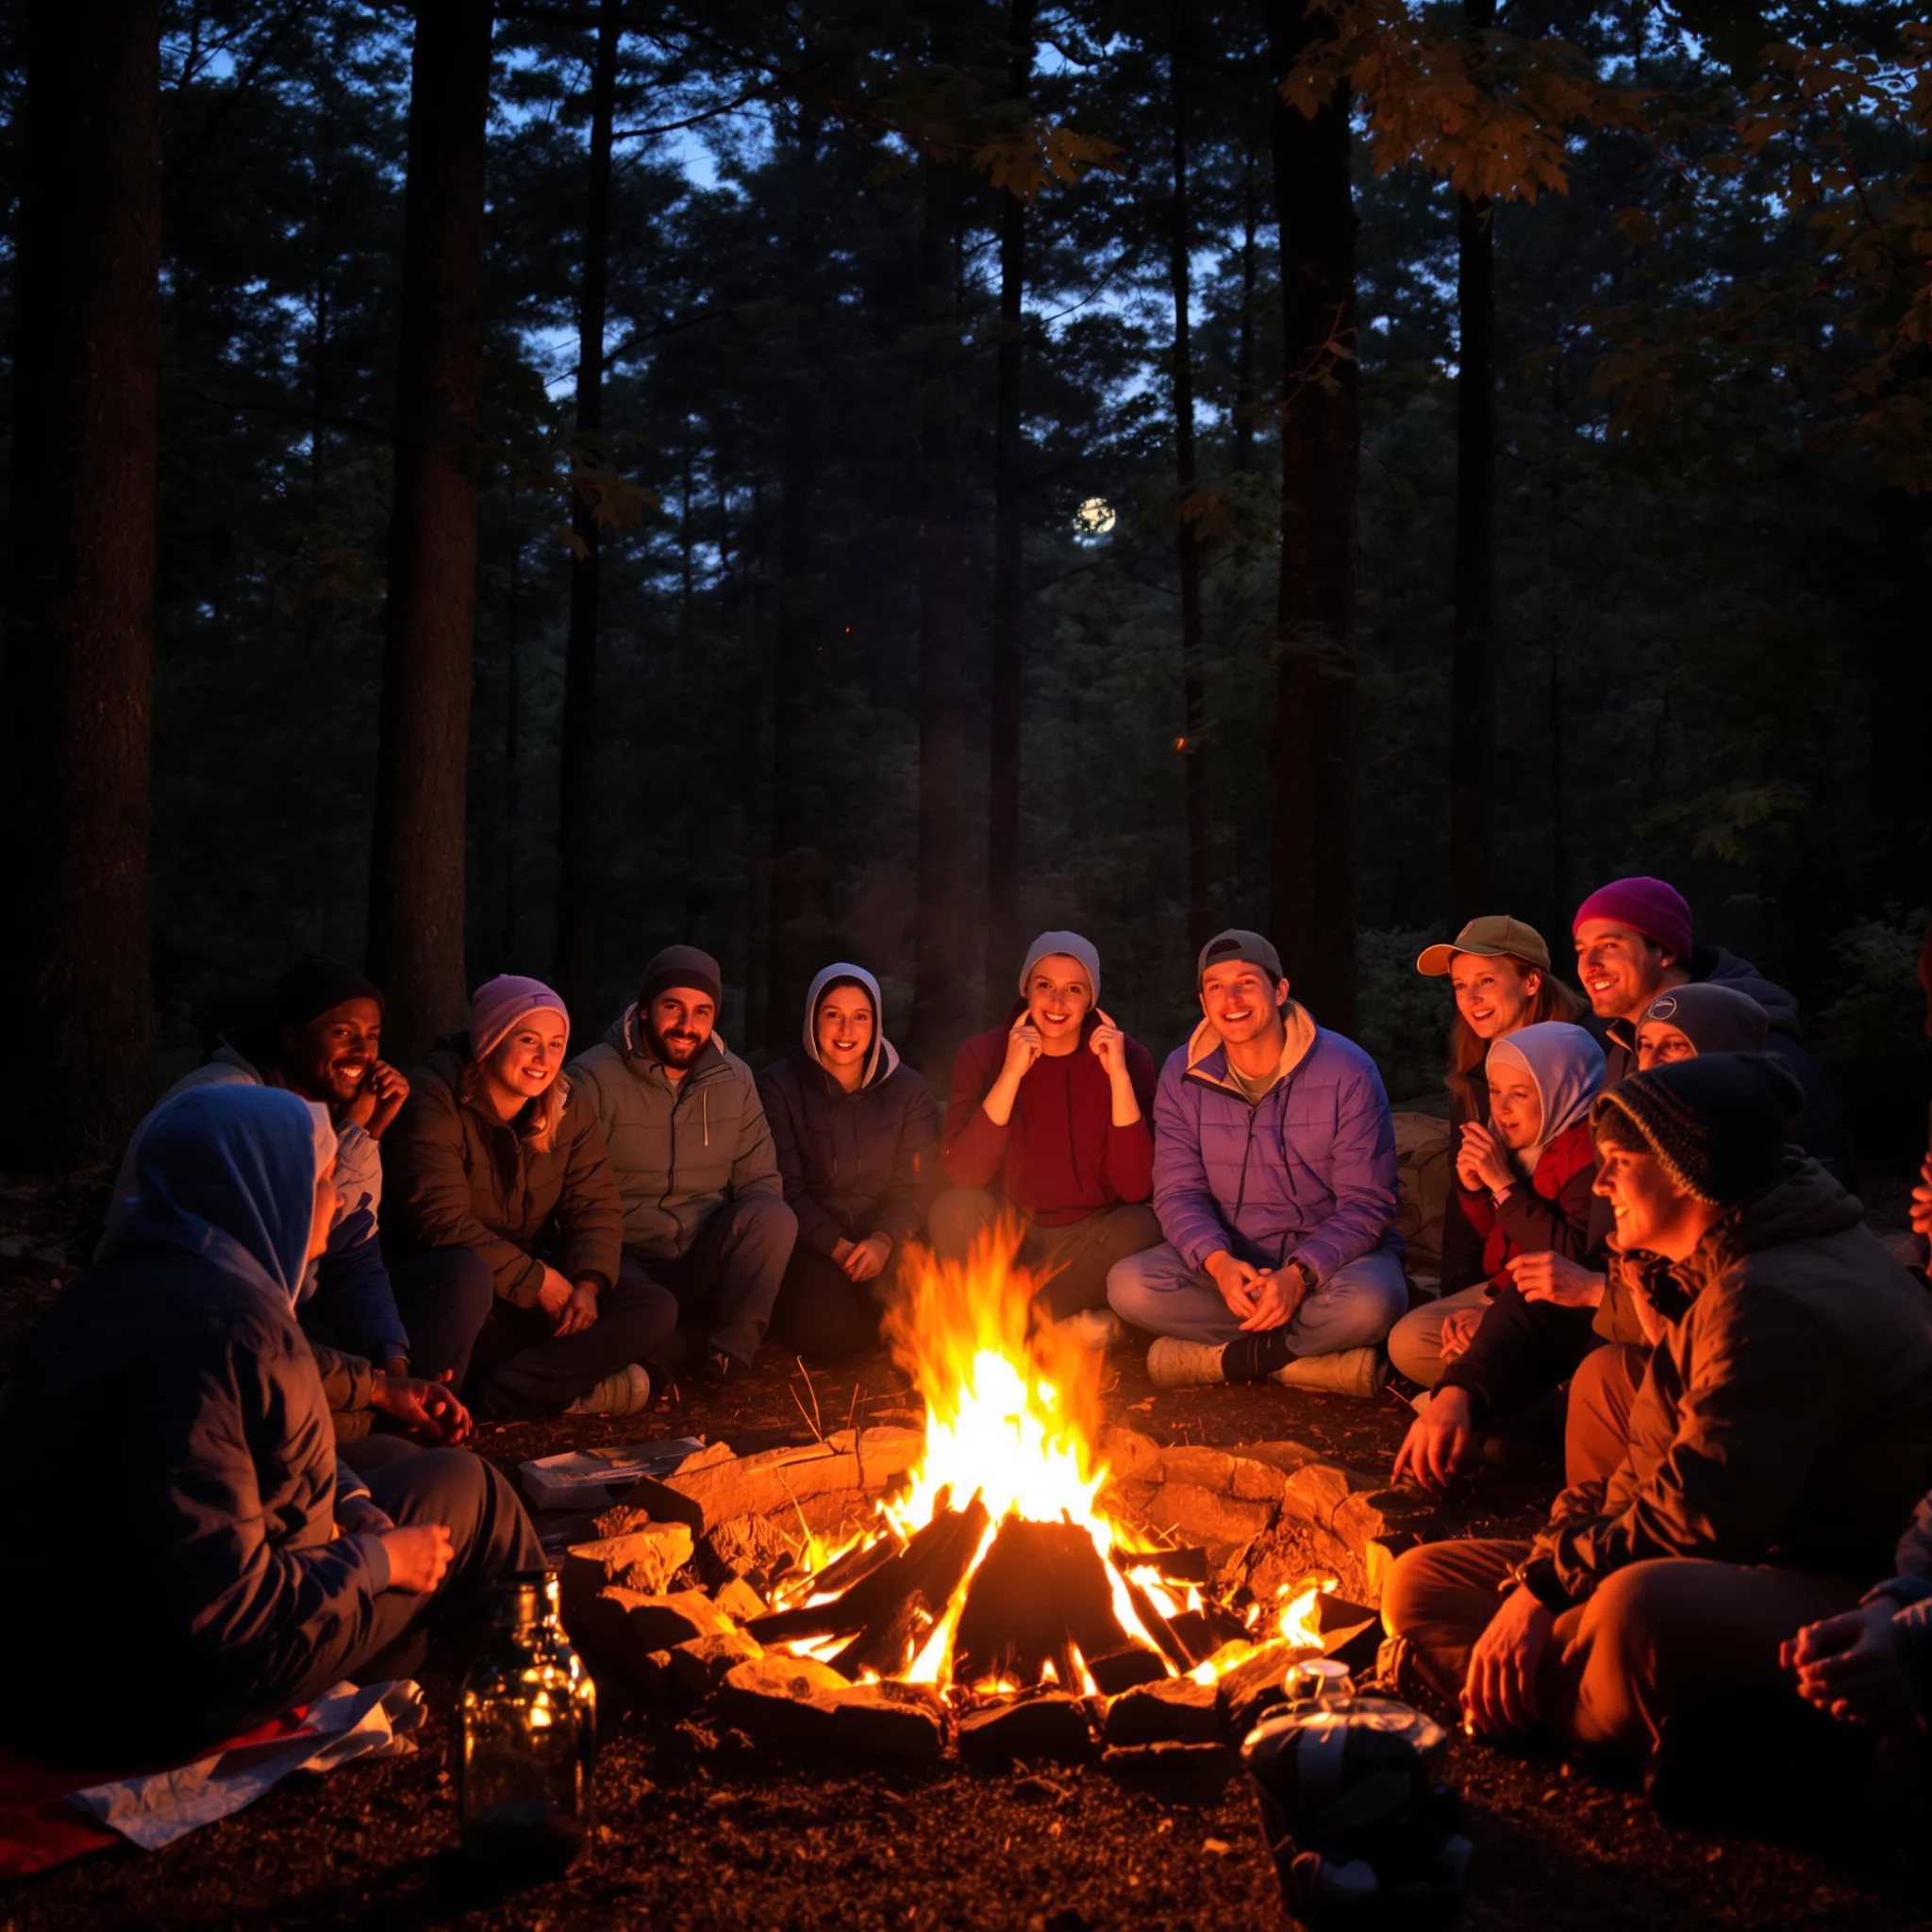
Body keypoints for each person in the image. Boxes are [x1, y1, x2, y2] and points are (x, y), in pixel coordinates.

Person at [1380, 1055, 1932, 1781]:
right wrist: (1548, 1573)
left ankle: (1675, 1739)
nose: (1601, 1185)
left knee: (1635, 1610)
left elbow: (1702, 1512)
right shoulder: (1708, 1274)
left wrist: (1549, 1593)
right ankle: (1601, 1703)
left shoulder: (1769, 1298)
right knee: (1423, 1581)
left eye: (1616, 1163)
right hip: (1743, 1554)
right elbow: (1636, 1469)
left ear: (1686, 1173)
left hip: (1832, 1583)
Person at [0, 1086, 543, 1764]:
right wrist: (380, 1559)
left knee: (376, 1455)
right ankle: (542, 1680)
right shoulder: (235, 1336)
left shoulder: (125, 1285)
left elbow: (253, 1452)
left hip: (66, 1649)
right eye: (318, 1179)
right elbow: (227, 1614)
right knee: (468, 1485)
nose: (337, 1199)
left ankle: (412, 1639)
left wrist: (348, 1500)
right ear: (258, 1187)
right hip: (157, 1691)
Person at [1107, 929, 1407, 1397]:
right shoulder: (1182, 1073)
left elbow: (1370, 1202)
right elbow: (1177, 1191)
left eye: (1247, 982)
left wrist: (1299, 1275)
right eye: (1216, 987)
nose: (1232, 998)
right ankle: (1306, 1362)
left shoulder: (1347, 1070)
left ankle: (1233, 1360)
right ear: (1203, 1002)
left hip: (1328, 1267)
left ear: (1280, 990)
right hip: (1232, 1269)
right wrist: (1219, 1262)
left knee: (1373, 1304)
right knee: (1129, 1286)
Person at [104, 956, 422, 1382]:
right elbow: (238, 1262)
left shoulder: (330, 1104)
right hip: (200, 1324)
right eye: (343, 1033)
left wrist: (392, 1363)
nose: (363, 1053)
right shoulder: (227, 1104)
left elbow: (350, 1249)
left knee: (450, 1286)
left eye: (372, 1036)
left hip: (279, 1306)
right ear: (291, 1036)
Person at [385, 975, 671, 1418]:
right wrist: (536, 1282)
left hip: (522, 1287)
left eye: (556, 1044)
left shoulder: (564, 1103)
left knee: (651, 1306)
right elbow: (438, 1220)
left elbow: (594, 1204)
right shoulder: (433, 1095)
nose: (544, 1058)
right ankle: (438, 1408)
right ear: (490, 1039)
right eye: (528, 1039)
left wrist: (587, 1284)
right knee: (468, 1277)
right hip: (445, 1295)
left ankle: (494, 1397)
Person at [569, 946, 795, 1383]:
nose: (688, 1026)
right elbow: (569, 1192)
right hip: (622, 1258)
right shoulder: (592, 1077)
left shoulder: (735, 1079)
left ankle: (728, 1356)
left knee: (772, 1215)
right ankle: (676, 1348)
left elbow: (761, 1181)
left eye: (702, 1012)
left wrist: (746, 1271)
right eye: (674, 1007)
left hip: (699, 1252)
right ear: (647, 1008)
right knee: (656, 1316)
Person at [931, 931, 1160, 1346]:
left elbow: (1136, 1187)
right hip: (1011, 1233)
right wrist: (1012, 1073)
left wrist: (1118, 1076)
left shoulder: (1130, 1058)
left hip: (1089, 1240)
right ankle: (1056, 1325)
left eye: (1073, 989)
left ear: (1091, 999)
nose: (1057, 1003)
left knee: (1144, 1223)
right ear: (1026, 990)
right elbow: (964, 1172)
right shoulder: (982, 1054)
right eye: (1045, 986)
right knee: (954, 1209)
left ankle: (1010, 1324)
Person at [1389, 920, 1587, 1386]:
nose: (1470, 998)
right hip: (1507, 1273)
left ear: (1532, 981)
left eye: (1486, 981)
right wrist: (1461, 1299)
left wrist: (1499, 1183)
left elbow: (1580, 1243)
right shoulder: (1474, 1079)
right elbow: (1471, 1217)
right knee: (1411, 1339)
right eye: (1460, 985)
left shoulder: (1580, 1069)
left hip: (1566, 1275)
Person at [1574, 874, 1857, 1187]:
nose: (1589, 965)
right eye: (1582, 950)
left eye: (1609, 945)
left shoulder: (1751, 1038)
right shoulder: (1622, 1049)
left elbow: (1826, 1170)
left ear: (1666, 952)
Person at [1386, 1020, 1604, 1406]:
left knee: (1463, 1350)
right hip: (1508, 1286)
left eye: (1519, 1094)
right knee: (1407, 1342)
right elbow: (1501, 1239)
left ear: (1561, 1090)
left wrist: (1503, 1184)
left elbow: (1568, 1253)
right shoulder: (1521, 1140)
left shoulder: (1590, 1155)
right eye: (1496, 1091)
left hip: (1560, 1308)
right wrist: (1473, 1189)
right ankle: (1492, 1395)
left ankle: (1493, 1405)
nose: (1501, 1108)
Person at [756, 963, 940, 1362]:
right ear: (812, 1019)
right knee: (831, 1341)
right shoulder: (779, 1085)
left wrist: (884, 1240)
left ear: (876, 1025)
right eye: (833, 1015)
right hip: (816, 1245)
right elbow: (783, 1184)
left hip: (887, 1241)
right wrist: (835, 1246)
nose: (846, 1031)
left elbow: (917, 1185)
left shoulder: (907, 1089)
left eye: (860, 1017)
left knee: (929, 1323)